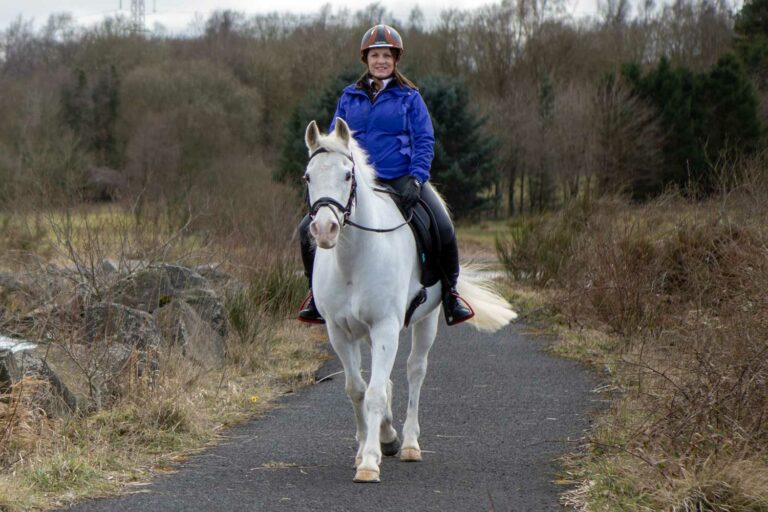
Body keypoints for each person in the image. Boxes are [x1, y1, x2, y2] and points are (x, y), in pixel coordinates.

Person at [297, 23, 474, 327]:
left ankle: (450, 294)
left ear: (396, 59)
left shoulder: (410, 97)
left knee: (442, 226)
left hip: (400, 176)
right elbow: (336, 142)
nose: (381, 61)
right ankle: (315, 295)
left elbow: (424, 140)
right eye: (375, 55)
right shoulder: (349, 97)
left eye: (387, 56)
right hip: (358, 182)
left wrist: (417, 178)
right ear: (365, 59)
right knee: (306, 229)